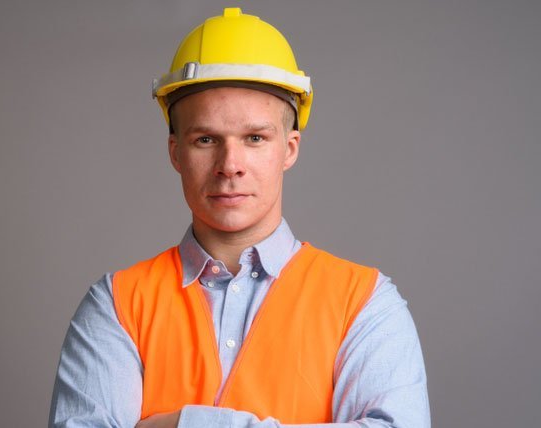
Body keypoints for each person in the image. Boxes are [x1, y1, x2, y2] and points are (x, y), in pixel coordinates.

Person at [49, 8, 430, 428]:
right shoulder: (118, 305)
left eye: (254, 138)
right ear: (176, 152)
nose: (230, 165)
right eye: (206, 139)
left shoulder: (364, 303)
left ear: (289, 149)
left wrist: (184, 424)